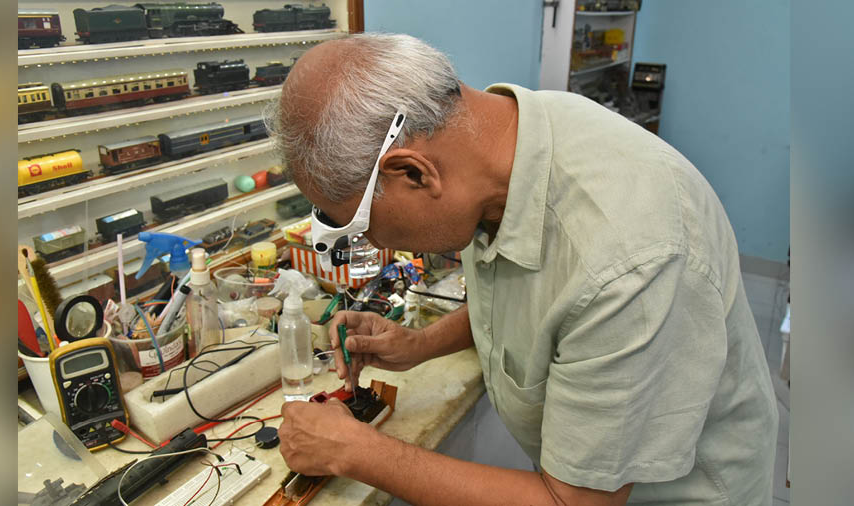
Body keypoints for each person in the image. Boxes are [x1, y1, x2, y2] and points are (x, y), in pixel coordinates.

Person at [266, 33, 778, 506]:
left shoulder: (629, 257)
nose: (369, 242)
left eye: (360, 223)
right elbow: (538, 299)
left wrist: (356, 451)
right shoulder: (496, 146)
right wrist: (418, 344)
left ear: (413, 172)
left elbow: (574, 501)